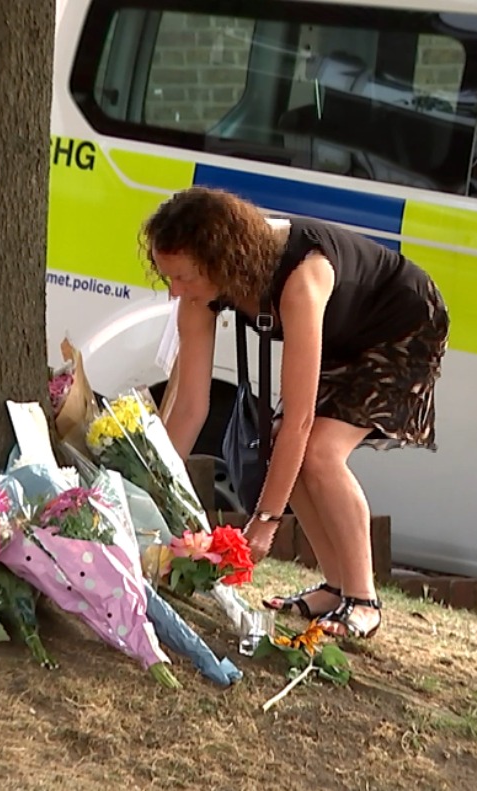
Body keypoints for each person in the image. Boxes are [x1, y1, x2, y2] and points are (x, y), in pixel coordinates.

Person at [143, 186, 449, 640]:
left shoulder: (301, 279)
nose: (175, 290)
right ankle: (335, 586)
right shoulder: (199, 293)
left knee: (319, 452)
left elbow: (301, 422)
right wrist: (148, 491)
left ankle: (363, 600)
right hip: (342, 330)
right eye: (167, 276)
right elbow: (189, 403)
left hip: (401, 323)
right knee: (283, 442)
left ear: (220, 260)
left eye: (183, 277)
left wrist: (264, 523)